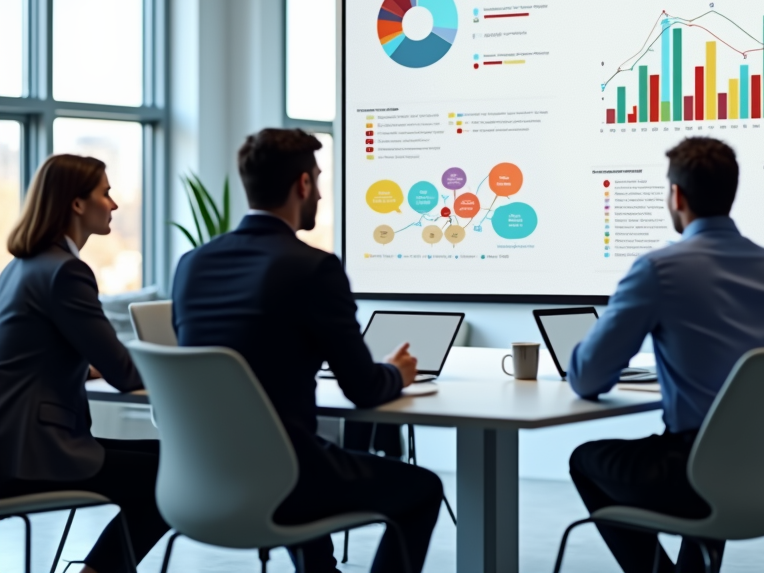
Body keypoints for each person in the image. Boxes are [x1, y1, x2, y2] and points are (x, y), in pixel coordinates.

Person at [173, 128, 442, 573]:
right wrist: (398, 372)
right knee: (422, 488)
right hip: (286, 480)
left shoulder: (193, 264)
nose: (318, 191)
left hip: (199, 478)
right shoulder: (313, 268)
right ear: (302, 184)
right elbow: (365, 389)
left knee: (311, 453)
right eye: (317, 179)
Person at [567, 137, 764, 573]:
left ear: (676, 195)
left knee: (585, 460)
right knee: (719, 451)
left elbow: (587, 378)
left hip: (695, 474)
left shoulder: (659, 269)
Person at [0, 154, 169, 573]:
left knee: (165, 461)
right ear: (77, 203)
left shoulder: (19, 267)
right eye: (105, 193)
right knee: (171, 474)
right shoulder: (67, 271)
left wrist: (87, 367)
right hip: (35, 455)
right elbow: (125, 374)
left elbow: (37, 355)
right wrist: (180, 365)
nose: (113, 204)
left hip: (13, 444)